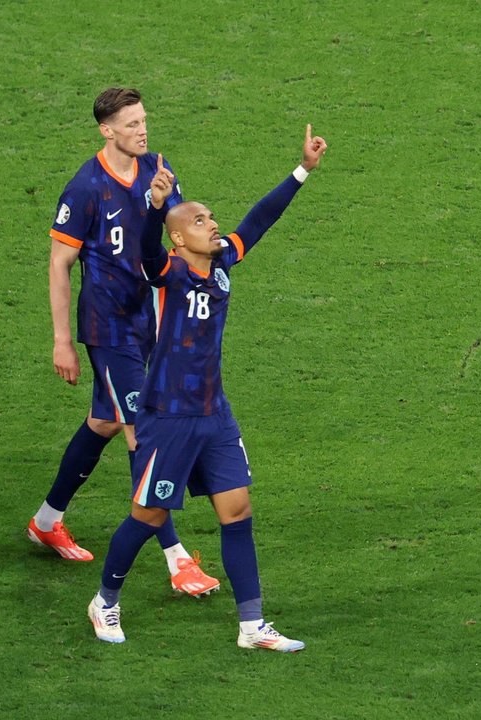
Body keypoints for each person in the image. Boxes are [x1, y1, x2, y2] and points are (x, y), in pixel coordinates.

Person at [87, 124, 328, 652]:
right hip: (168, 415)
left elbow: (259, 221)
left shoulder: (221, 264)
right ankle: (105, 601)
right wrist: (154, 207)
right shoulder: (167, 271)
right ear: (180, 237)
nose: (212, 223)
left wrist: (303, 170)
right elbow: (147, 247)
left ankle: (252, 626)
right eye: (200, 220)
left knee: (237, 510)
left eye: (211, 217)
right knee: (149, 517)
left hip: (214, 412)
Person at [27, 87, 219, 597]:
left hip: (150, 322)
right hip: (107, 329)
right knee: (143, 431)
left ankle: (46, 520)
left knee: (106, 421)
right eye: (131, 124)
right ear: (106, 130)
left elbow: (176, 236)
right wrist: (62, 341)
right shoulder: (86, 189)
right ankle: (178, 560)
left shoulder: (158, 167)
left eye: (144, 121)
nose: (142, 130)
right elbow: (59, 265)